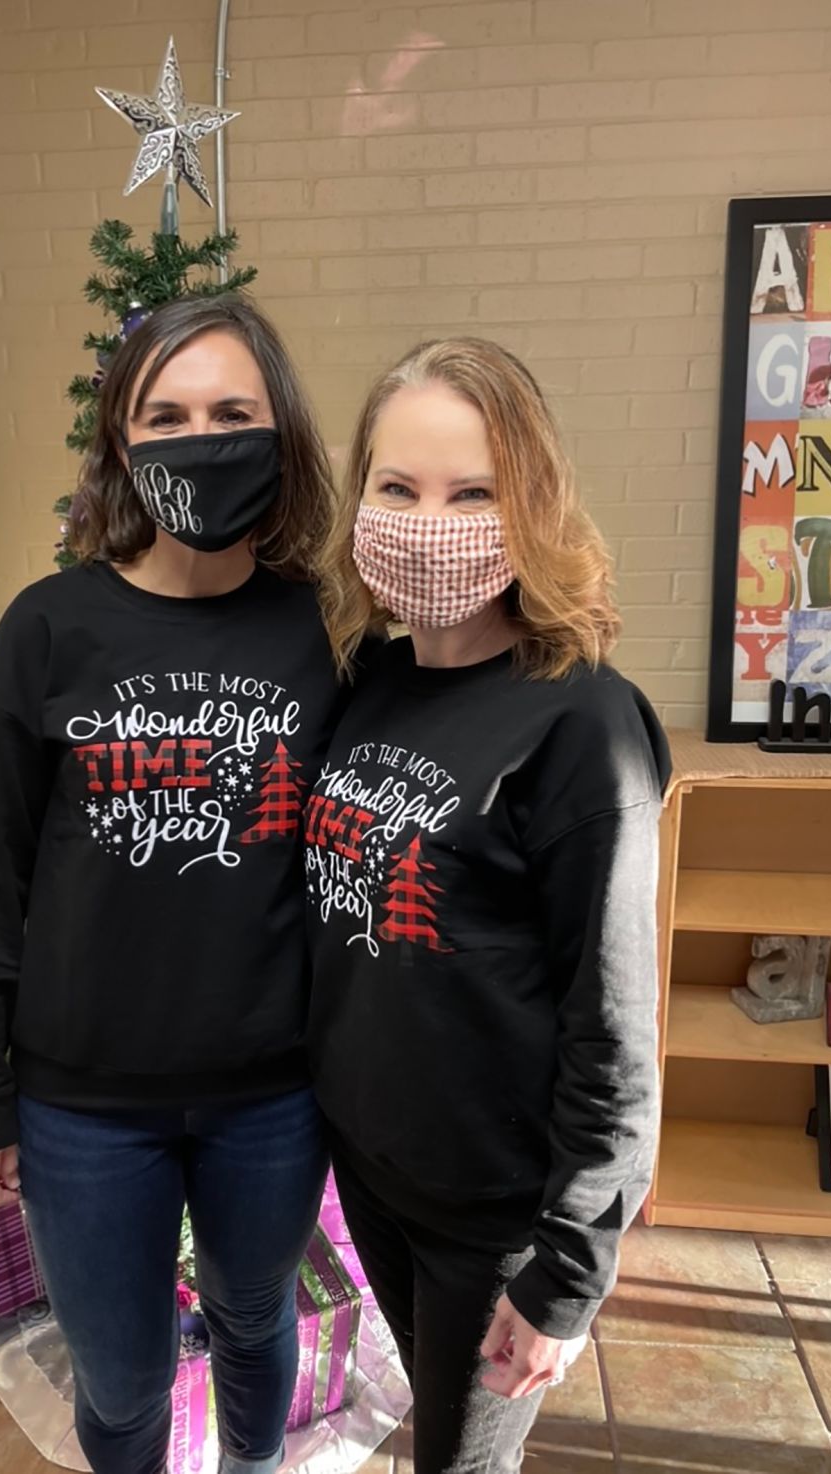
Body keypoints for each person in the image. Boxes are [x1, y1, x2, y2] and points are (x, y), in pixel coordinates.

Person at [0, 294, 351, 1474]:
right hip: (83, 1109)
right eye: (165, 414)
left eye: (233, 410)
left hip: (273, 1096)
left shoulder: (320, 635)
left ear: (280, 434)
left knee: (251, 1319)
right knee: (118, 1382)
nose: (200, 436)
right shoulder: (47, 631)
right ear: (122, 440)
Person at [307, 338, 671, 1474]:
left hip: (493, 1213)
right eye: (398, 488)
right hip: (374, 1171)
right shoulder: (367, 678)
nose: (430, 520)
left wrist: (567, 1274)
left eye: (474, 493)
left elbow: (612, 1025)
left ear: (532, 507)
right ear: (359, 496)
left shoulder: (583, 722)